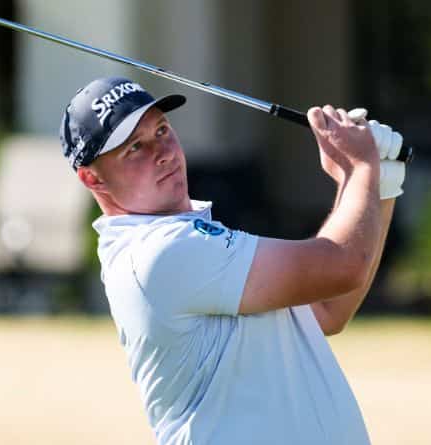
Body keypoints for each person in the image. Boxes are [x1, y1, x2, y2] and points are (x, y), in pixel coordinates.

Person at [60, 76, 406, 445]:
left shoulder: (185, 243)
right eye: (134, 148)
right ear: (92, 178)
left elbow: (325, 310)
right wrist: (361, 167)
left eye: (161, 129)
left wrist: (379, 184)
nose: (162, 151)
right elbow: (343, 265)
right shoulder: (159, 253)